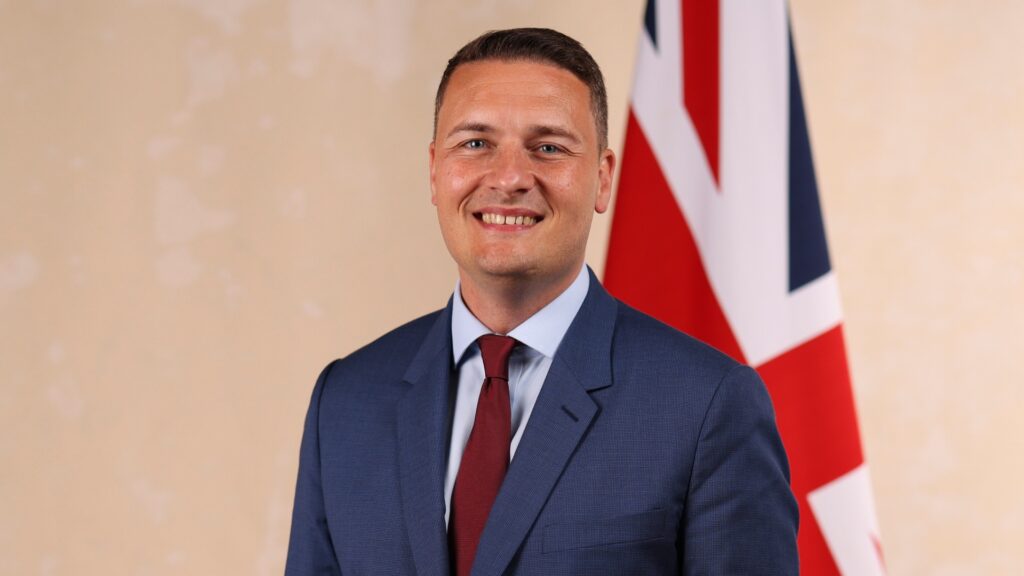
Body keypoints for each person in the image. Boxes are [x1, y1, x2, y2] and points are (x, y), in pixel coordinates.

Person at [285, 28, 798, 576]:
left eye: (548, 147)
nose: (509, 178)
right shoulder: (345, 401)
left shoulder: (708, 406)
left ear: (602, 180)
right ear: (435, 170)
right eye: (475, 143)